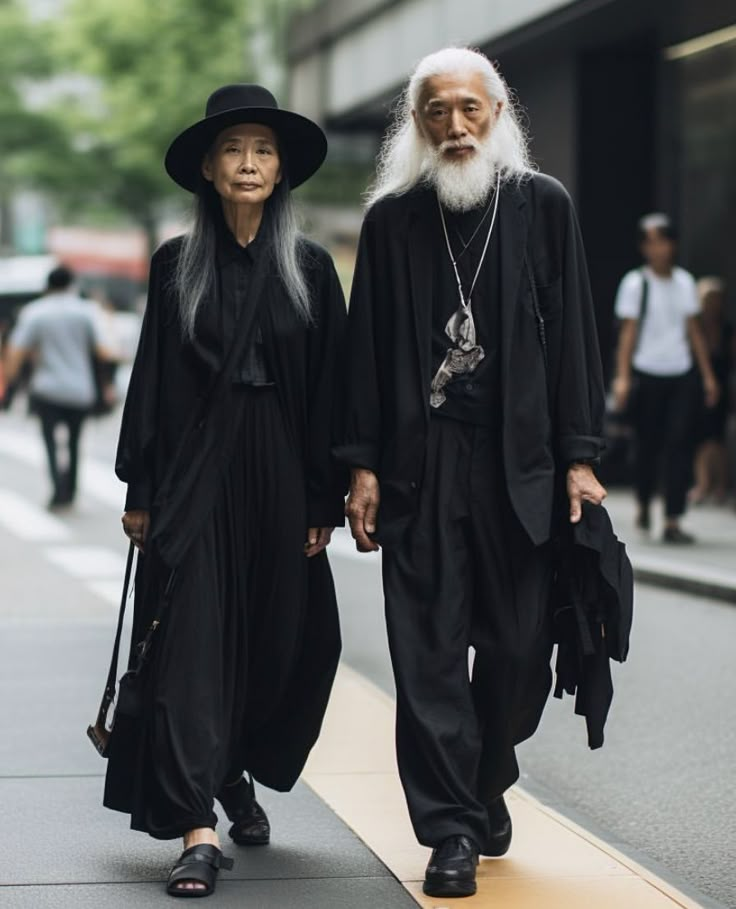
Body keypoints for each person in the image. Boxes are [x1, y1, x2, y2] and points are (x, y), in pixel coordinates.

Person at [336, 47, 607, 898]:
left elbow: (574, 341)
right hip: (422, 465)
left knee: (523, 648)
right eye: (436, 112)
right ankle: (451, 827)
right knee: (428, 655)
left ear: (497, 114)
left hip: (518, 463)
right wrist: (363, 466)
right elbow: (367, 355)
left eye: (469, 109)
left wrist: (581, 457)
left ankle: (487, 775)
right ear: (417, 125)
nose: (454, 126)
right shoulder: (392, 222)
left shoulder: (542, 206)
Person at [103, 84, 347, 898]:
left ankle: (234, 766)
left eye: (264, 150)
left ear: (281, 172)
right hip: (193, 478)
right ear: (209, 169)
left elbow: (330, 390)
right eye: (234, 149)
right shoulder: (178, 264)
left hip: (281, 475)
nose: (249, 162)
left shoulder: (310, 268)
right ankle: (196, 829)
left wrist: (326, 497)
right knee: (191, 648)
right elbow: (151, 379)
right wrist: (141, 485)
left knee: (280, 643)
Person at [612, 214, 719, 542]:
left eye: (661, 240)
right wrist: (623, 377)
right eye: (650, 241)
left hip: (681, 373)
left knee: (679, 444)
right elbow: (627, 333)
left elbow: (694, 332)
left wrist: (708, 375)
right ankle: (644, 501)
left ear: (672, 244)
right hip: (647, 371)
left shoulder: (685, 282)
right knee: (647, 444)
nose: (656, 248)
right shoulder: (635, 283)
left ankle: (672, 518)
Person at [2, 265, 113, 508]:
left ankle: (57, 489)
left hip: (47, 389)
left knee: (50, 441)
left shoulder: (35, 312)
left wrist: (10, 384)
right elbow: (104, 351)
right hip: (80, 389)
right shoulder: (86, 311)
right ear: (71, 284)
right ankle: (71, 491)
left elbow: (15, 351)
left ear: (48, 286)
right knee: (74, 442)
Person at [690, 277, 732, 504]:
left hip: (722, 389)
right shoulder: (694, 327)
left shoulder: (727, 330)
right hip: (697, 388)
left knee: (717, 438)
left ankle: (720, 485)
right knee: (702, 437)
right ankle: (704, 483)